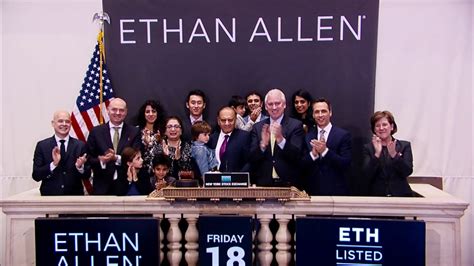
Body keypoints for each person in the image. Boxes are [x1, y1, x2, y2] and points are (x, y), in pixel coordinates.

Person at [249, 89, 304, 187]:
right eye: (270, 104)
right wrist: (262, 145)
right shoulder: (257, 127)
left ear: (284, 105)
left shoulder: (295, 125)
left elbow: (297, 156)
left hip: (288, 184)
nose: (274, 107)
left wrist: (281, 140)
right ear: (265, 106)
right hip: (264, 183)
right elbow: (252, 158)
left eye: (277, 103)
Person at [86, 98, 141, 195]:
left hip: (126, 186)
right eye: (114, 109)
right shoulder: (96, 132)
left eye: (121, 110)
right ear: (107, 110)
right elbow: (89, 158)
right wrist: (101, 160)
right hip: (101, 187)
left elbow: (137, 157)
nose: (118, 113)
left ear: (126, 112)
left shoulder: (134, 132)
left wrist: (116, 158)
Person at [301, 98, 352, 195]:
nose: (320, 115)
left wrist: (325, 152)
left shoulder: (343, 135)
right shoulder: (308, 136)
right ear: (313, 115)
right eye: (317, 112)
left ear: (330, 112)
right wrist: (313, 154)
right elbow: (301, 165)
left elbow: (346, 164)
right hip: (312, 193)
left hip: (336, 192)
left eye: (323, 111)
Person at [32, 110, 90, 195]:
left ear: (71, 123)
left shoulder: (80, 145)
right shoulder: (42, 146)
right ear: (53, 123)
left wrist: (80, 167)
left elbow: (87, 175)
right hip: (49, 198)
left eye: (67, 121)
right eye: (60, 121)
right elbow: (36, 176)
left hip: (74, 198)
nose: (64, 124)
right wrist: (54, 164)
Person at [363, 111, 413, 197]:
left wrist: (394, 155)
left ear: (392, 127)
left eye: (384, 124)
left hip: (401, 196)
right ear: (374, 129)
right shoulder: (368, 148)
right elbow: (366, 174)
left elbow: (407, 171)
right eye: (377, 126)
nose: (381, 128)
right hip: (376, 196)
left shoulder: (404, 146)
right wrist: (377, 154)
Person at [148, 116, 200, 185]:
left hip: (184, 189)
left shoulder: (190, 147)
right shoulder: (158, 148)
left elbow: (194, 174)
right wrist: (166, 157)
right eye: (169, 127)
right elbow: (151, 172)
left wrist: (178, 160)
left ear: (181, 131)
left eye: (176, 126)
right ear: (165, 131)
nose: (173, 129)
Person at [208, 107, 251, 172]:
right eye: (223, 120)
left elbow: (249, 162)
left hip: (238, 179)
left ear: (236, 120)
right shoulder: (212, 138)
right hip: (215, 180)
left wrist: (239, 178)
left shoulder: (244, 137)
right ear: (218, 121)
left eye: (230, 120)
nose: (227, 123)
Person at [136, 99, 166, 174]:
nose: (151, 114)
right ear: (143, 114)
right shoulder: (136, 131)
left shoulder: (163, 132)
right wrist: (145, 145)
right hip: (142, 173)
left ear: (158, 113)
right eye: (147, 112)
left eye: (154, 111)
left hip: (160, 174)